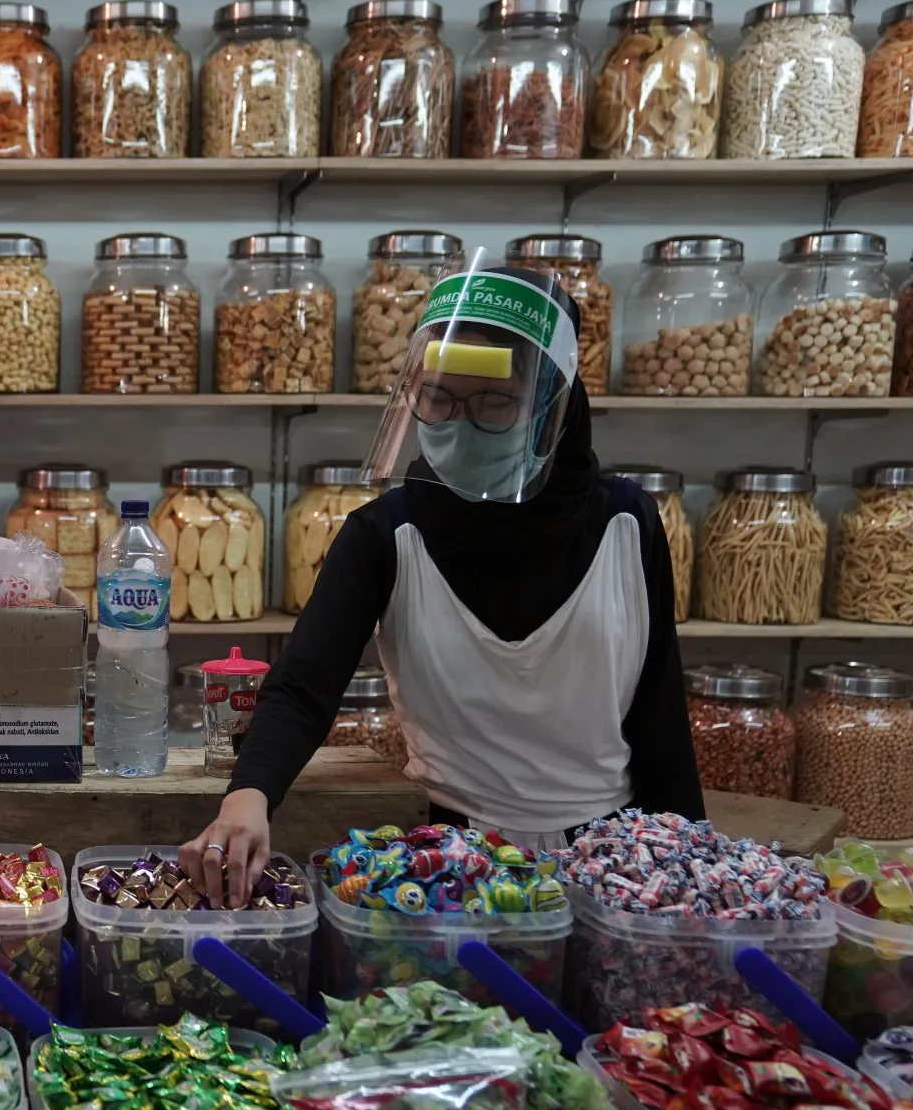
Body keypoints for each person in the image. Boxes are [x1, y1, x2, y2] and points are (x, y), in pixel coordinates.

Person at [183, 261, 702, 905]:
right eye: (437, 396)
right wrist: (249, 794)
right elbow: (301, 688)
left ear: (553, 409)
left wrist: (688, 870)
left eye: (492, 401)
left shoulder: (630, 524)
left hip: (613, 858)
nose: (457, 423)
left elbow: (660, 719)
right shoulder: (384, 534)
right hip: (447, 864)